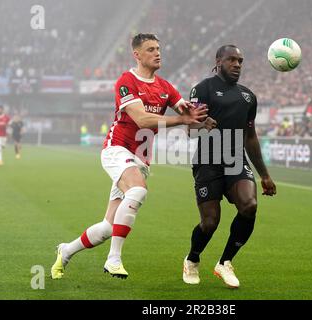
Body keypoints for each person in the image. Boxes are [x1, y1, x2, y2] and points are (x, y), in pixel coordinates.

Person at [51, 33, 208, 280]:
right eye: (150, 49)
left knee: (107, 228)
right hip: (117, 149)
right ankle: (113, 259)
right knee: (138, 191)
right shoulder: (127, 81)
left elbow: (189, 122)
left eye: (158, 48)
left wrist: (203, 119)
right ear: (137, 54)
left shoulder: (166, 88)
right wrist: (182, 119)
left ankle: (66, 251)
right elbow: (142, 119)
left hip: (141, 159)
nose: (157, 53)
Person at [182, 45, 276, 288]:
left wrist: (264, 175)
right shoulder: (202, 89)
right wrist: (202, 125)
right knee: (210, 223)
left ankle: (225, 262)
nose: (237, 64)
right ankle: (192, 259)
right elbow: (189, 129)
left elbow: (251, 137)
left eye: (240, 61)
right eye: (231, 60)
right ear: (218, 61)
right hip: (207, 162)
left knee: (250, 205)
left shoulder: (248, 97)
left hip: (236, 161)